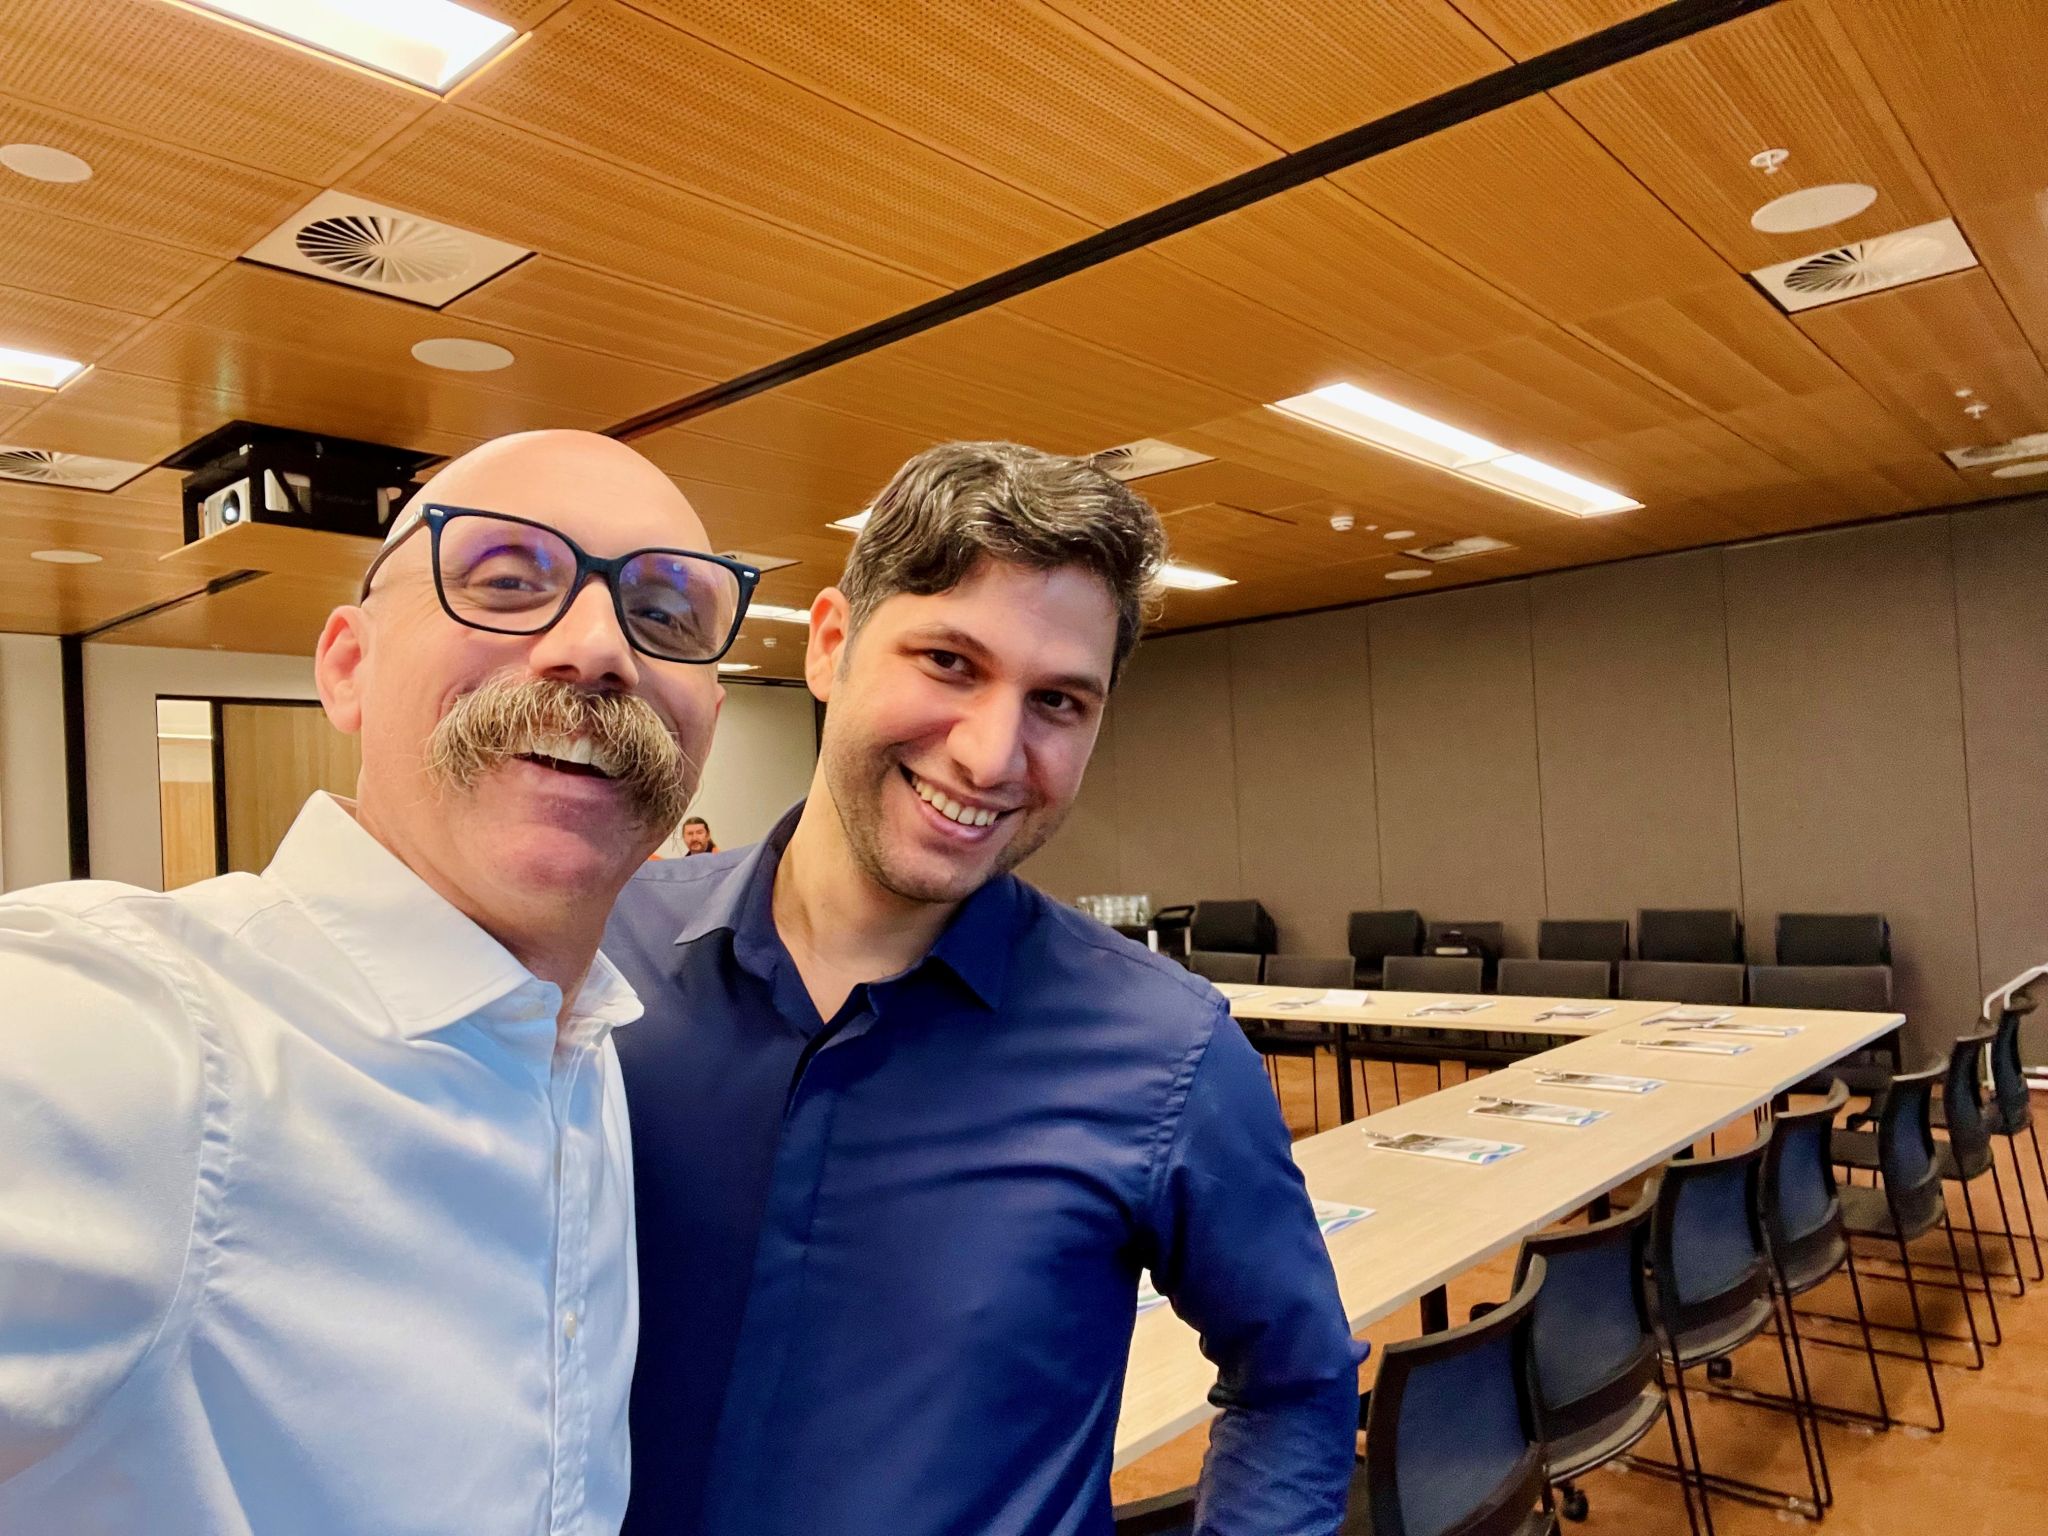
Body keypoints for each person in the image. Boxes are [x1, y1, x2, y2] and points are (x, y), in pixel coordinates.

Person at [0, 430, 749, 1535]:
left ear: (705, 727)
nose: (598, 647)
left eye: (667, 617)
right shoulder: (132, 1031)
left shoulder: (586, 1048)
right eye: (507, 582)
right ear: (348, 667)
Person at [604, 441, 1360, 1536]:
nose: (993, 755)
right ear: (830, 644)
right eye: (950, 662)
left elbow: (1296, 1381)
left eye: (1057, 701)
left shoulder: (1166, 1052)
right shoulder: (596, 962)